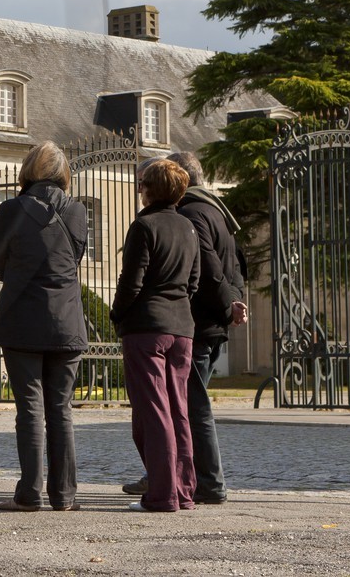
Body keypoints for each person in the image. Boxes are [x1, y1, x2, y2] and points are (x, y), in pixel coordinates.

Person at [121, 150, 248, 506]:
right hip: (199, 324)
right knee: (182, 406)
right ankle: (178, 482)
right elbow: (235, 265)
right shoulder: (218, 212)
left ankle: (199, 482)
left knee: (185, 408)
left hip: (186, 323)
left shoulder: (187, 214)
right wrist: (234, 302)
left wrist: (227, 303)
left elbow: (206, 268)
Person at [0, 141, 91, 513]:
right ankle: (64, 495)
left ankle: (29, 492)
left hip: (21, 317)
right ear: (64, 174)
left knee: (29, 408)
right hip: (66, 320)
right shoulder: (77, 211)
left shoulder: (10, 209)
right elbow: (74, 259)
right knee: (60, 408)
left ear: (28, 171)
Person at [113, 158, 201, 513]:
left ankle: (162, 494)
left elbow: (131, 282)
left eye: (141, 183)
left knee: (153, 411)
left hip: (147, 327)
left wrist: (118, 313)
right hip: (182, 327)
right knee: (178, 409)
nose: (139, 188)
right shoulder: (189, 227)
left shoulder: (144, 225)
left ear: (150, 189)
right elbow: (193, 282)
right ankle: (183, 490)